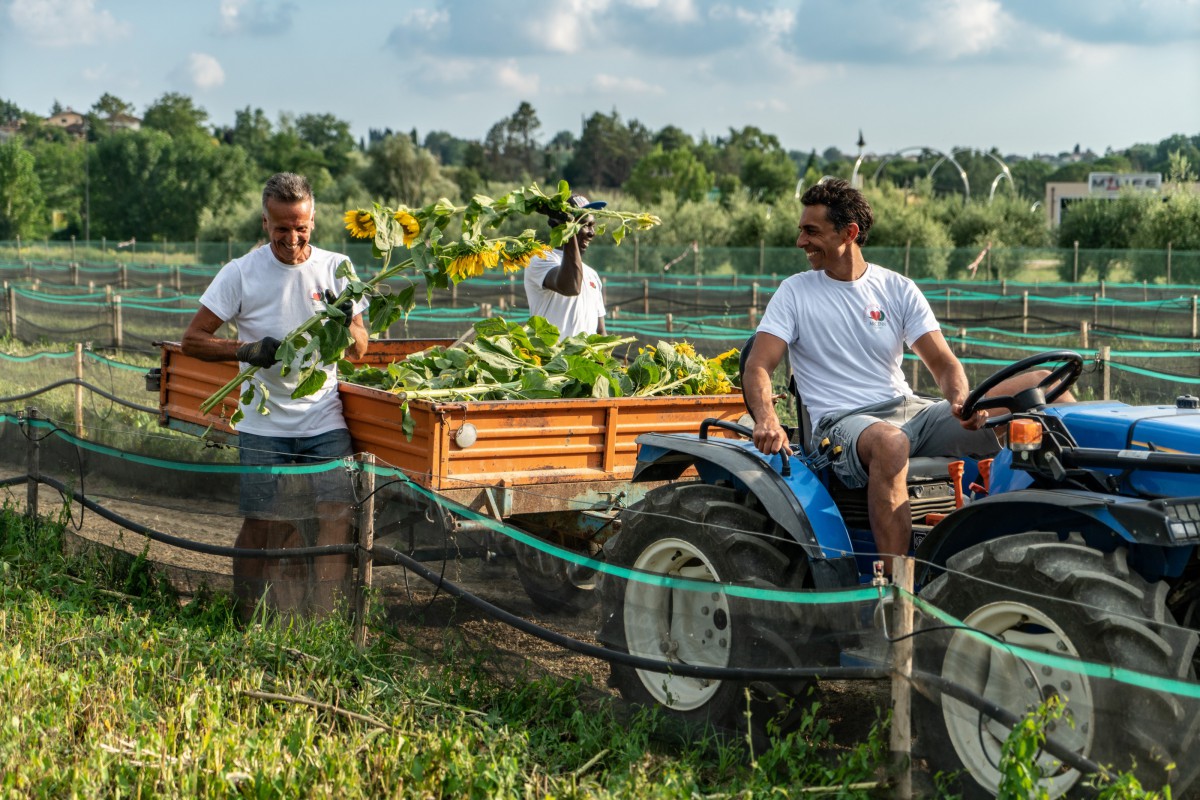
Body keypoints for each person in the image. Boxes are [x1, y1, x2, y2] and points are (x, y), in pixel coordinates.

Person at [742, 178, 1072, 574]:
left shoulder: (897, 288)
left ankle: (1060, 541)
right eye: (801, 229)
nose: (800, 241)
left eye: (811, 231)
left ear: (849, 233)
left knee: (1041, 387)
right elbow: (759, 365)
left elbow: (946, 365)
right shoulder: (795, 293)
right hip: (841, 425)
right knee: (891, 443)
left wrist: (959, 400)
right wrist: (767, 419)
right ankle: (897, 585)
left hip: (909, 411)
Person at [182, 172, 369, 619]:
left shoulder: (336, 268)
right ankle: (245, 615)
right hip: (263, 424)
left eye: (300, 227)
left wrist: (346, 321)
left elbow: (361, 350)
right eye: (282, 228)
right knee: (264, 524)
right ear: (265, 223)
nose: (292, 238)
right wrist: (245, 349)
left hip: (323, 418)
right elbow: (193, 340)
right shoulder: (241, 273)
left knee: (337, 517)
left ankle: (324, 618)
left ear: (313, 220)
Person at [524, 193, 608, 336]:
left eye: (592, 226)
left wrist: (606, 357)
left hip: (585, 358)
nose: (592, 233)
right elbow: (571, 287)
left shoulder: (592, 275)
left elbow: (600, 332)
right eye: (583, 225)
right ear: (562, 225)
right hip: (551, 357)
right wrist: (567, 230)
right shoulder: (540, 260)